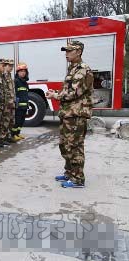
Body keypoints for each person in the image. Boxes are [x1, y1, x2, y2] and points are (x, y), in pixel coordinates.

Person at [46, 41, 93, 188]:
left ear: (78, 52)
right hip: (68, 114)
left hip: (77, 115)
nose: (66, 53)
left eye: (69, 51)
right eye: (65, 51)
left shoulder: (83, 69)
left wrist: (56, 96)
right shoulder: (72, 68)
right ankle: (69, 173)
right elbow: (68, 91)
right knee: (64, 145)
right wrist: (56, 93)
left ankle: (78, 179)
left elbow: (74, 93)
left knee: (75, 146)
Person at [12, 62, 29, 140]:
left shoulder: (25, 83)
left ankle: (18, 133)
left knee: (22, 121)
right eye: (21, 71)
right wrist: (16, 104)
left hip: (25, 105)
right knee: (17, 121)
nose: (23, 73)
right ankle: (13, 135)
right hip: (18, 106)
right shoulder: (16, 81)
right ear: (17, 72)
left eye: (24, 71)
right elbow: (14, 94)